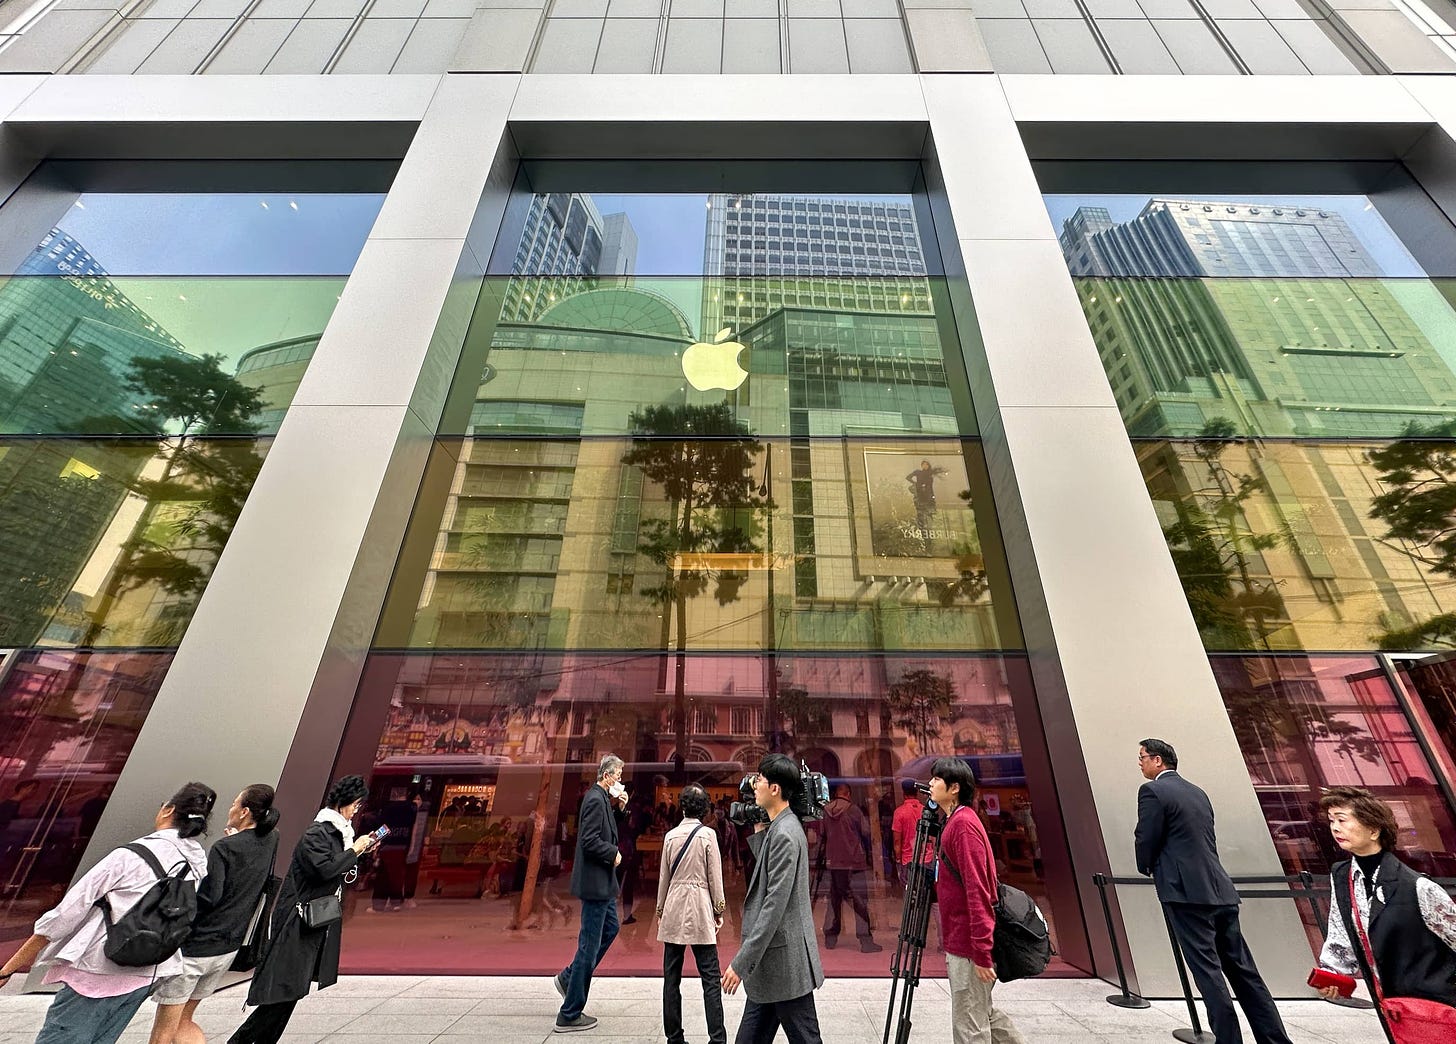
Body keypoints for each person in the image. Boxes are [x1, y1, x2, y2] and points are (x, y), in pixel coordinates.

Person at [0, 782, 215, 1044]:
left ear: (168, 810)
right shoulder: (197, 863)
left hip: (98, 968)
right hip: (149, 970)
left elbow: (65, 915)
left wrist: (8, 968)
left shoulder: (128, 855)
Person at [1134, 738, 1292, 1044]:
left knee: (1208, 972)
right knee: (1245, 973)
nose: (1139, 763)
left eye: (1141, 757)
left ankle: (1229, 1041)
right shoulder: (1198, 792)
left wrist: (1147, 866)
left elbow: (1147, 836)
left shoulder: (1152, 791)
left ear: (1157, 761)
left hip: (1186, 894)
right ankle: (1275, 1040)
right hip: (1220, 890)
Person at [228, 775, 379, 1044]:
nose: (356, 811)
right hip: (296, 922)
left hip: (314, 921)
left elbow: (336, 871)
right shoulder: (318, 832)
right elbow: (325, 869)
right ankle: (241, 1041)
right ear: (344, 802)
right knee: (286, 989)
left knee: (292, 990)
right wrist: (354, 851)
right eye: (355, 805)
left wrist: (359, 851)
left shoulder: (338, 834)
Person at [149, 785, 280, 1044]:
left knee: (164, 1032)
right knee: (184, 1020)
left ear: (244, 812)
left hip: (198, 948)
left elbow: (210, 898)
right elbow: (252, 861)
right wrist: (234, 838)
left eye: (234, 803)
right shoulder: (272, 839)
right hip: (228, 947)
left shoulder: (224, 848)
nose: (229, 808)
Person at [1312, 786, 1456, 1012]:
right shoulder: (1342, 875)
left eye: (1342, 820)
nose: (1335, 828)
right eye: (1332, 821)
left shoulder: (1418, 886)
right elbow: (1340, 931)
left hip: (1439, 1004)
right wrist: (1332, 975)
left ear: (1373, 829)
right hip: (1393, 1006)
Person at [722, 753, 825, 1044]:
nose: (755, 786)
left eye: (760, 781)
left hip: (784, 963)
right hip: (775, 967)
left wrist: (741, 963)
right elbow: (773, 875)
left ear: (775, 789)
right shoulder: (781, 827)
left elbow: (774, 906)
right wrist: (759, 834)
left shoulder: (785, 833)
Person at [930, 758, 1024, 1044]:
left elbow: (978, 890)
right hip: (965, 939)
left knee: (970, 1025)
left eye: (937, 779)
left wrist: (981, 951)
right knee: (984, 1012)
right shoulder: (956, 821)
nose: (931, 784)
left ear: (954, 787)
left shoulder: (963, 825)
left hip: (968, 943)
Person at [553, 753, 628, 1034]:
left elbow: (606, 827)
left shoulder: (601, 799)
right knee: (589, 944)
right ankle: (570, 1012)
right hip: (596, 883)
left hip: (602, 884)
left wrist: (621, 807)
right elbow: (589, 840)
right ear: (607, 775)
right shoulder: (595, 799)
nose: (620, 779)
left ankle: (569, 977)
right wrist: (614, 855)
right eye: (618, 775)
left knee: (611, 928)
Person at [656, 783, 727, 1044]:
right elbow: (715, 878)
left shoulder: (670, 836)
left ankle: (674, 1037)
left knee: (671, 978)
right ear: (704, 807)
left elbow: (664, 878)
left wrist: (661, 910)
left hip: (674, 905)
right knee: (710, 977)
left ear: (682, 806)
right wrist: (718, 910)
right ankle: (717, 1038)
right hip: (699, 906)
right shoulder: (708, 835)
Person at [820, 783, 882, 953]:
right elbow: (866, 831)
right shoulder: (853, 810)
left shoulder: (825, 811)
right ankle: (865, 940)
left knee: (834, 900)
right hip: (854, 861)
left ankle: (830, 937)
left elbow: (822, 835)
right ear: (847, 794)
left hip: (833, 861)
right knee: (860, 900)